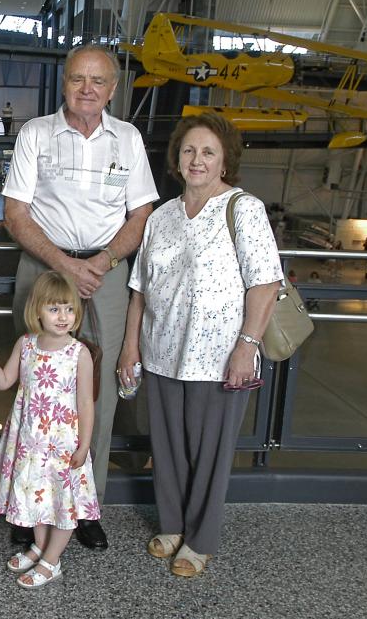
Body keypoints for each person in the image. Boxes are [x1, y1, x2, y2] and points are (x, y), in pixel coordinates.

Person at [2, 44, 158, 550]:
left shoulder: (128, 139)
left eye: (98, 81)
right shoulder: (36, 134)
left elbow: (141, 215)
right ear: (64, 84)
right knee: (34, 386)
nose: (87, 89)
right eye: (77, 79)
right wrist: (67, 266)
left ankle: (85, 507)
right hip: (47, 268)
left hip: (106, 269)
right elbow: (16, 215)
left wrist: (104, 263)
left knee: (103, 391)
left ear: (112, 90)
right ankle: (26, 506)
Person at [117, 112, 283, 578]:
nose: (197, 160)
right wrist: (131, 346)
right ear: (176, 158)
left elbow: (265, 284)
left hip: (218, 356)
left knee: (209, 450)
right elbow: (140, 288)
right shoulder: (163, 216)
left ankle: (200, 538)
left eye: (208, 151)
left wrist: (246, 347)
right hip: (163, 349)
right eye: (189, 150)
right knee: (167, 445)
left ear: (225, 160)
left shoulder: (243, 209)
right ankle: (172, 524)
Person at [0, 271, 99, 589]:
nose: (63, 316)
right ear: (37, 311)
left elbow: (86, 402)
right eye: (54, 309)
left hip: (62, 445)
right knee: (39, 498)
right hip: (30, 443)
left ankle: (52, 560)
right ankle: (40, 547)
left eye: (69, 309)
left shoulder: (78, 353)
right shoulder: (26, 345)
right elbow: (4, 381)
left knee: (62, 504)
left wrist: (83, 445)